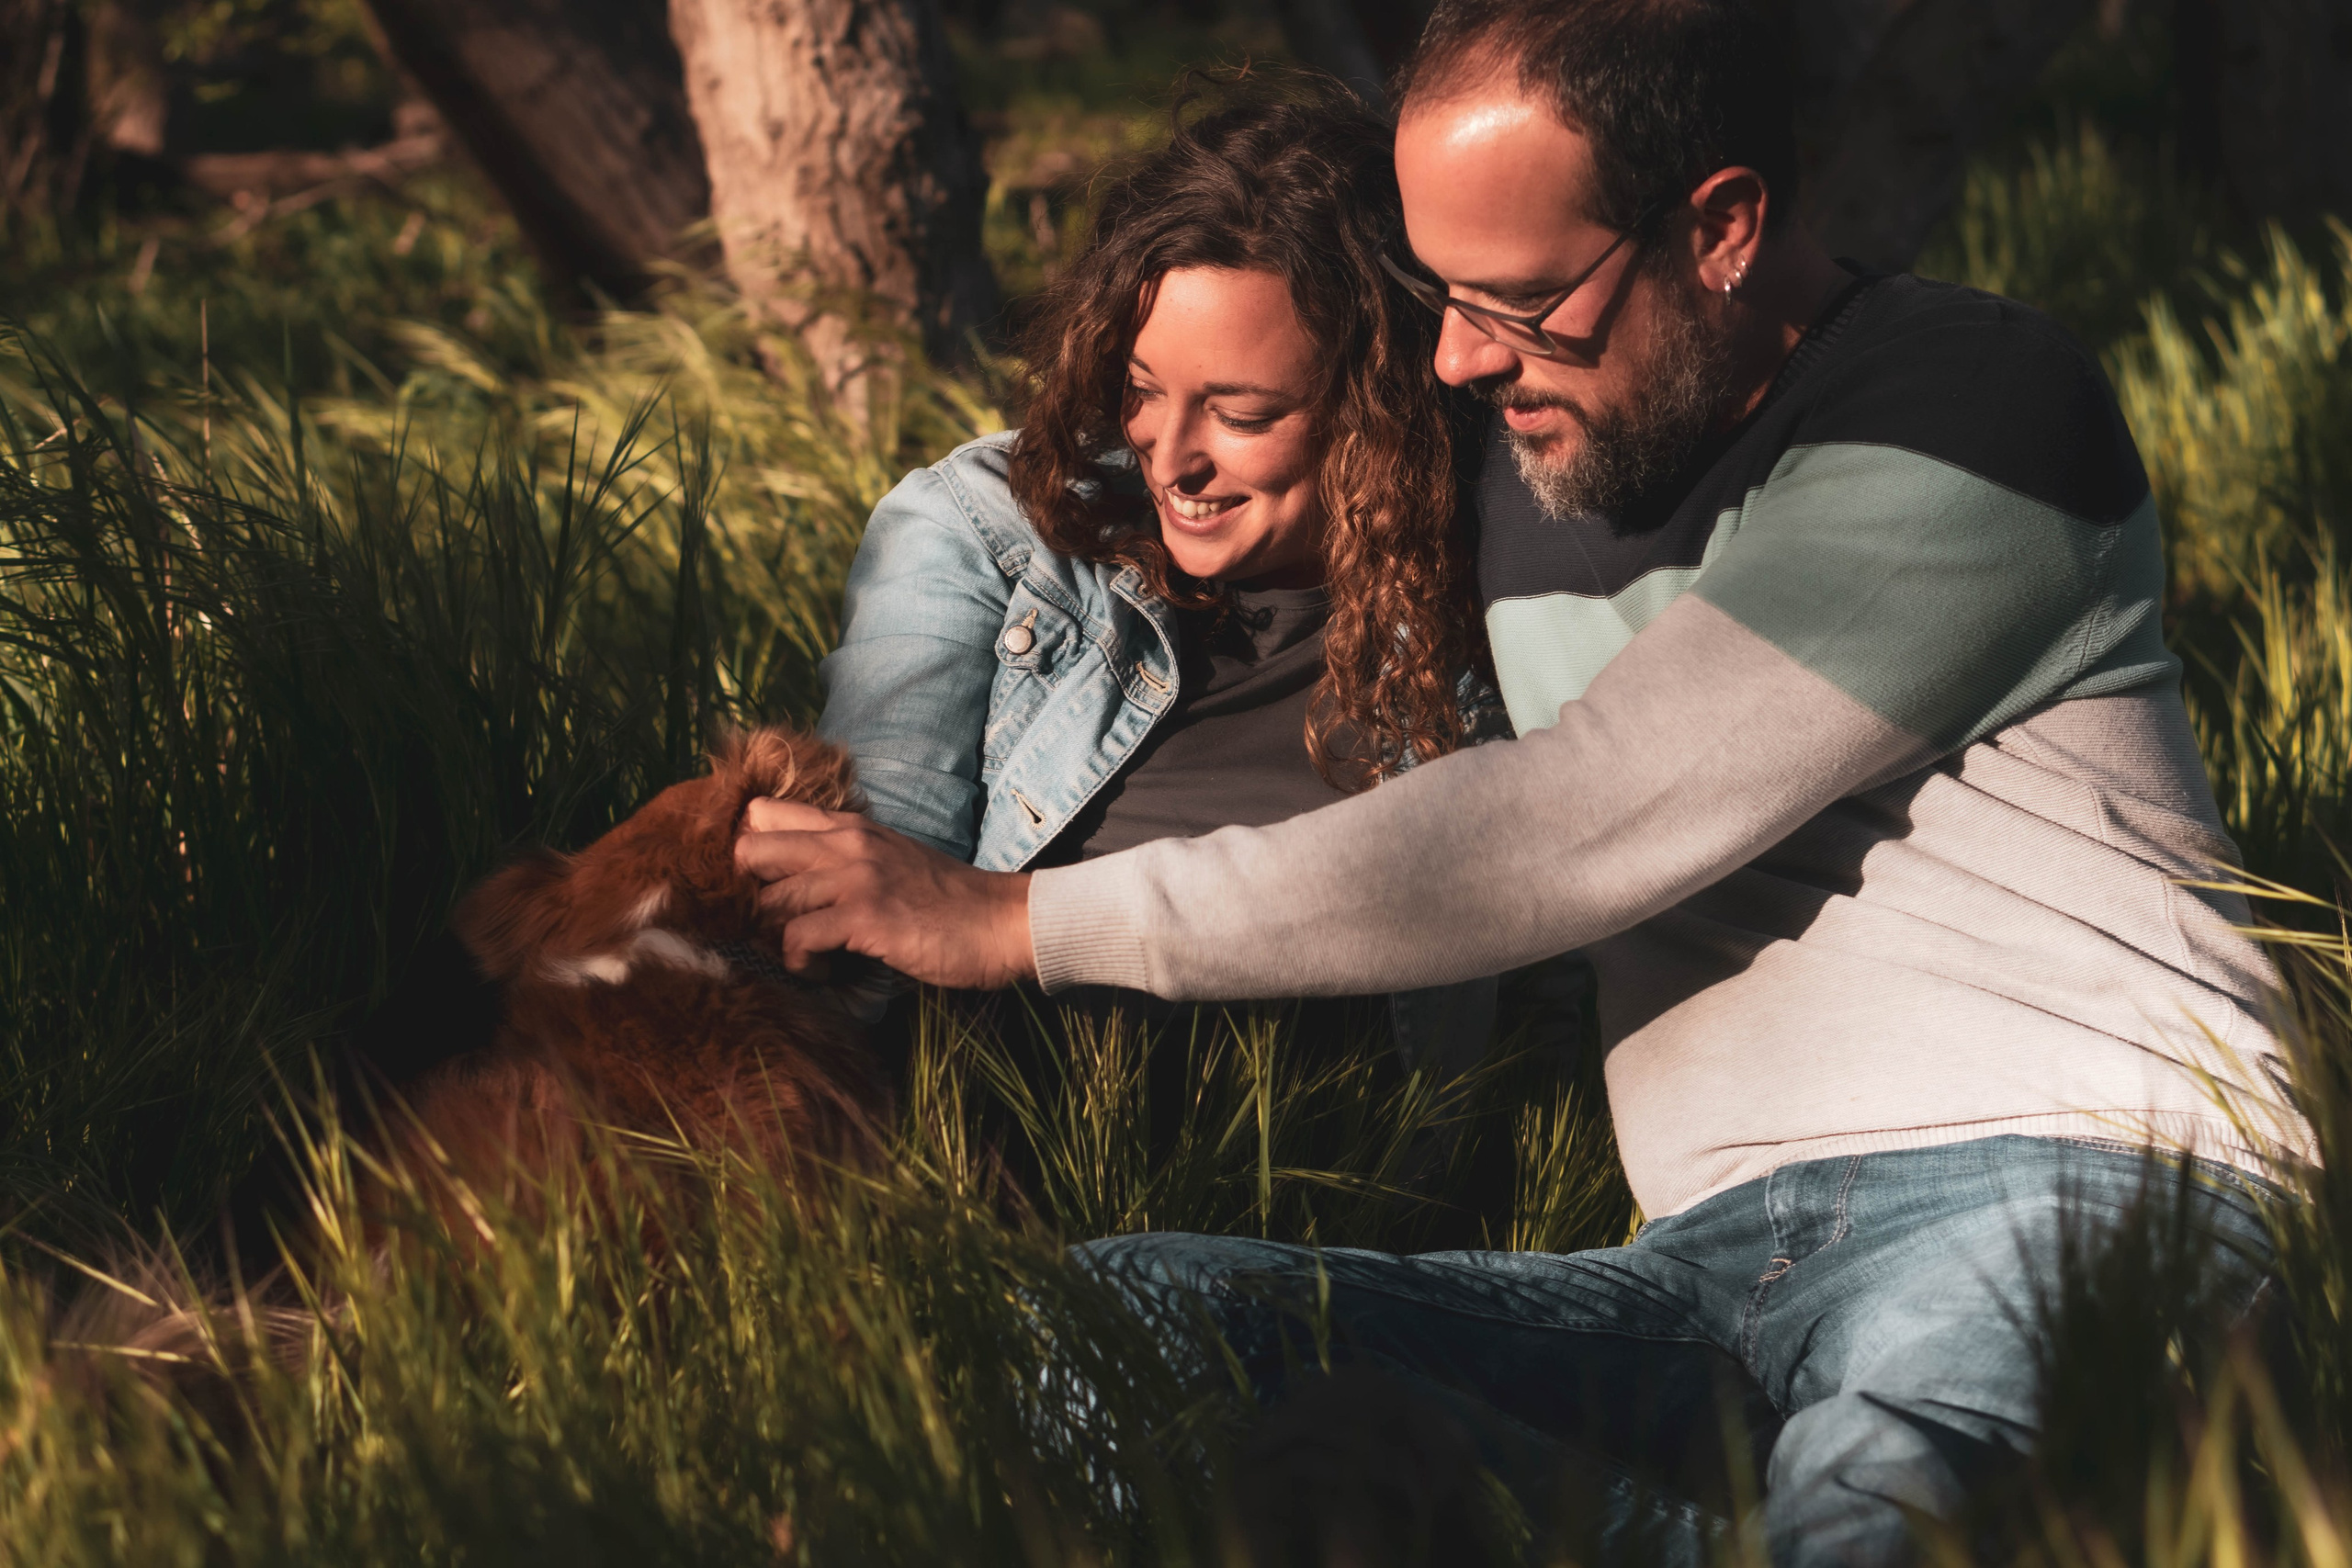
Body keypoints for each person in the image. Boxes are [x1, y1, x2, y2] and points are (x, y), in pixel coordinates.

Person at [740, 2, 2311, 1561]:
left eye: (1519, 297)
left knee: (1884, 1481)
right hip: (1701, 1275)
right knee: (1114, 1324)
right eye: (1435, 295)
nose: (1458, 354)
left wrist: (1014, 920)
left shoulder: (1970, 407)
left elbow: (1576, 819)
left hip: (2069, 1177)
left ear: (1723, 228)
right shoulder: (1522, 441)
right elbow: (1154, 450)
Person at [811, 86, 1546, 1079]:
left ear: (1389, 407)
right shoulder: (992, 529)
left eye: (1241, 416)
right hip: (993, 1135)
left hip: (1332, 1184)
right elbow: (872, 880)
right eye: (1141, 389)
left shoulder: (1513, 584)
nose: (1170, 458)